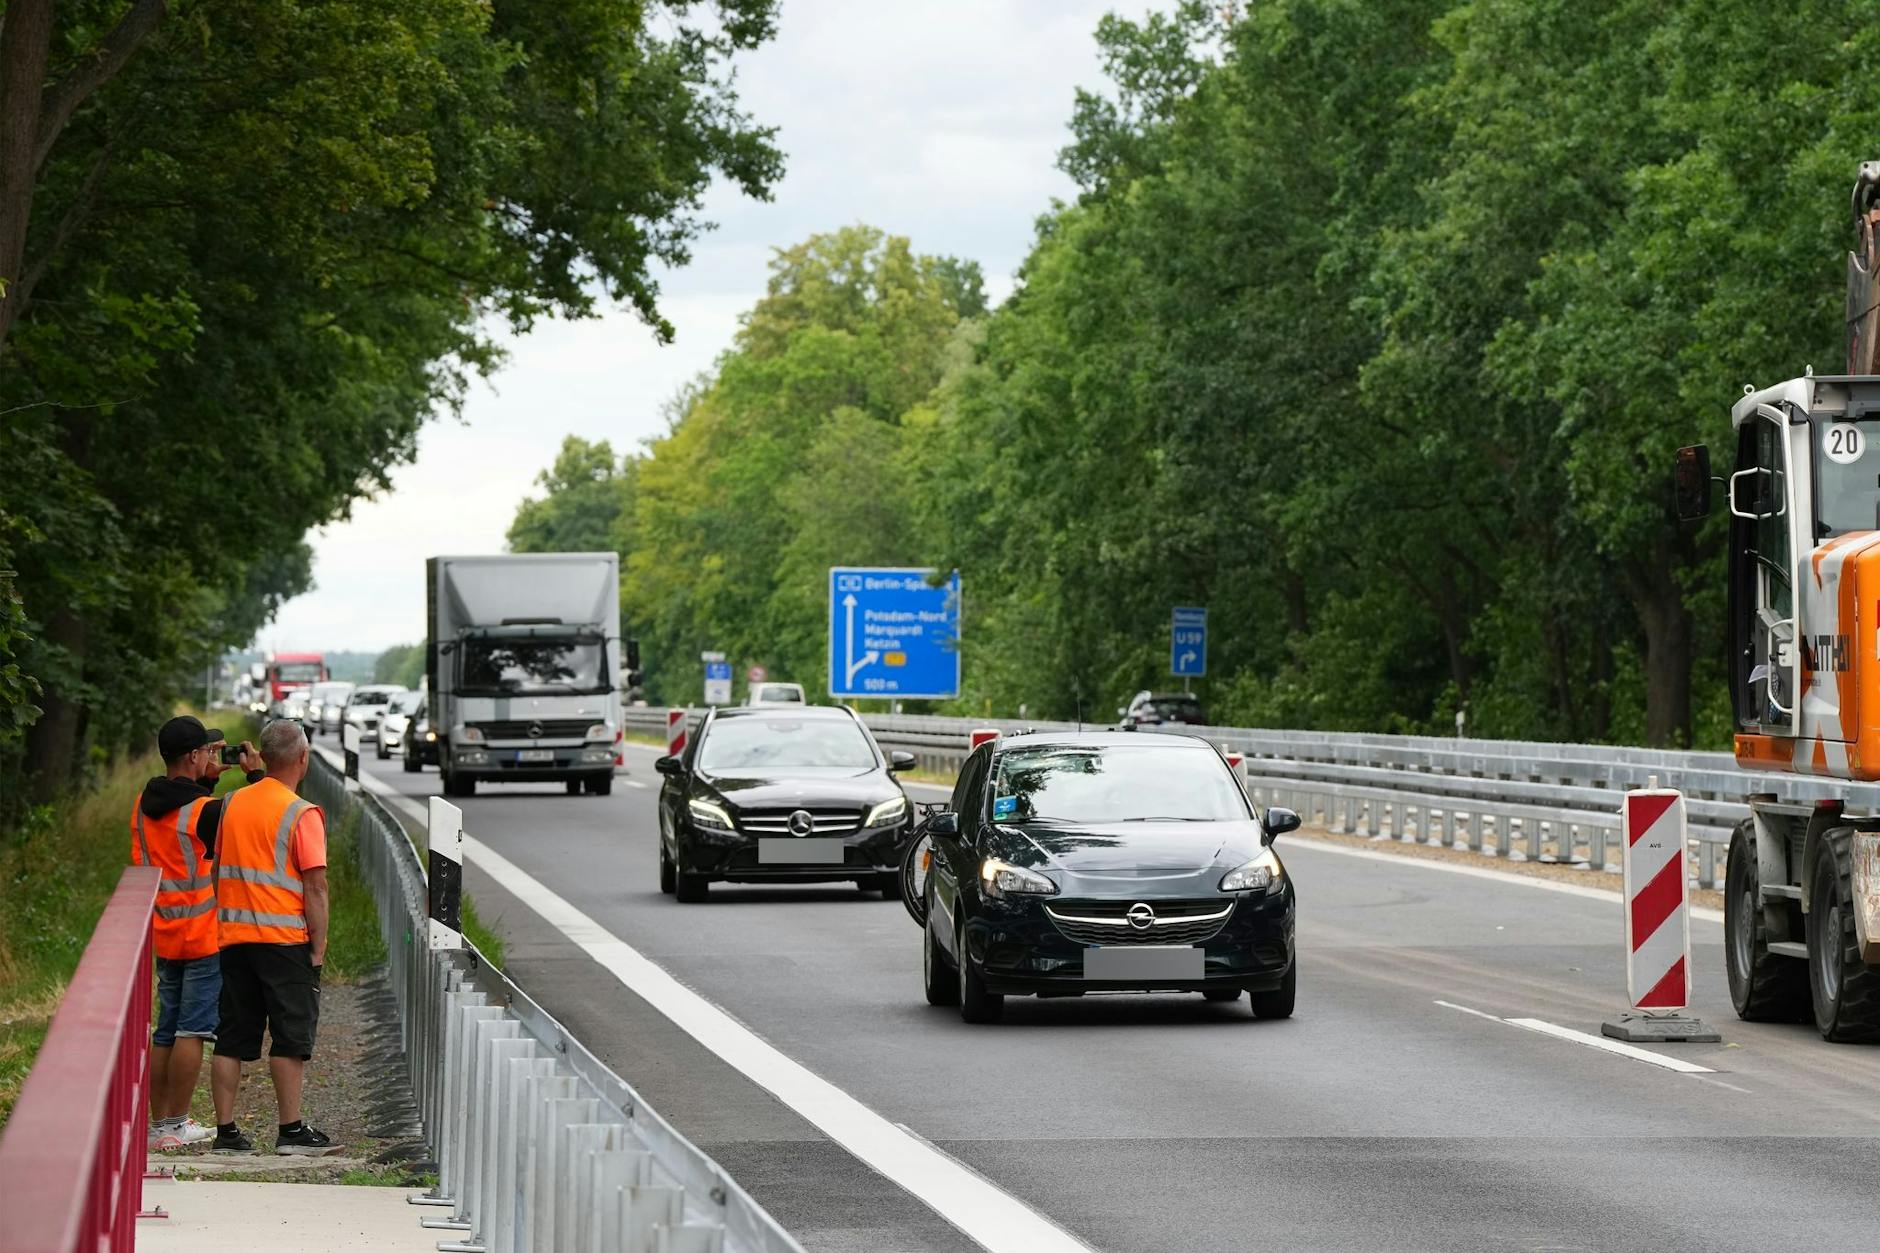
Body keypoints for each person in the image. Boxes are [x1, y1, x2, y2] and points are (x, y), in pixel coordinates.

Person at [208, 718, 338, 1155]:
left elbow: (218, 866)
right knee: (289, 1037)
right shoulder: (302, 814)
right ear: (303, 758)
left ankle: (226, 1134)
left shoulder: (230, 805)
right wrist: (317, 948)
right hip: (284, 942)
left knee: (231, 1036)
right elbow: (315, 886)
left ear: (262, 757)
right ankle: (292, 1132)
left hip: (234, 938)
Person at [133, 716, 263, 1151]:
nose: (213, 757)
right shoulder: (203, 810)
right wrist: (255, 775)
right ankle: (175, 1124)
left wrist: (205, 781)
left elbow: (179, 827)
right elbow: (254, 816)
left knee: (166, 1030)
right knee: (192, 1031)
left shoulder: (144, 802)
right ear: (193, 756)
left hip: (163, 931)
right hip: (204, 933)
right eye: (207, 752)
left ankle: (157, 1126)